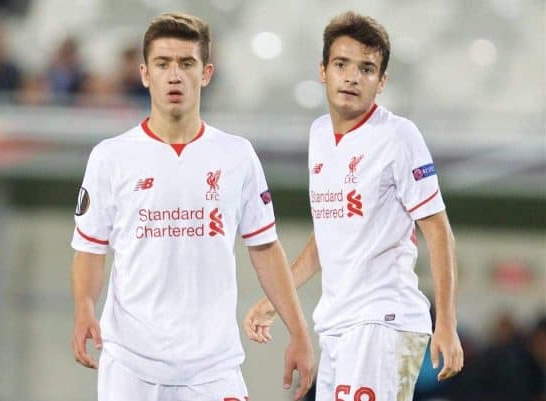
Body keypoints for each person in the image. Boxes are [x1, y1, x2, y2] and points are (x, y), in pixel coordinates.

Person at [70, 13, 314, 401]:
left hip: (213, 367)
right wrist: (84, 308)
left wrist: (299, 333)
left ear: (206, 73)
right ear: (145, 73)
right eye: (163, 64)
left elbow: (266, 248)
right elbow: (90, 247)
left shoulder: (237, 155)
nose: (174, 75)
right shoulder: (110, 158)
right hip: (132, 366)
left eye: (187, 64)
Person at [244, 11, 464, 400]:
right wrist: (280, 297)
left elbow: (438, 231)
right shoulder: (318, 135)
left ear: (381, 82)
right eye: (342, 64)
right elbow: (328, 235)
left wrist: (446, 320)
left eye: (366, 69)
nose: (352, 77)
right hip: (336, 323)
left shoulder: (398, 136)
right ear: (323, 70)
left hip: (383, 320)